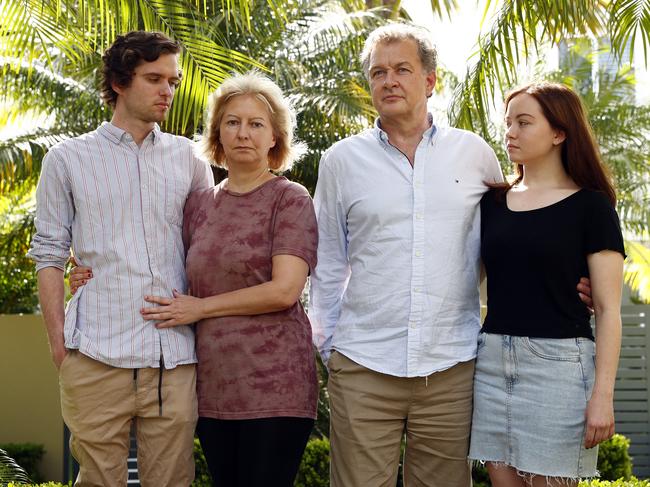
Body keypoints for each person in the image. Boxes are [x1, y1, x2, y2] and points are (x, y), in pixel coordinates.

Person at [309, 24, 593, 487]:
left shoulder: (474, 154)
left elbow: (515, 239)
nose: (389, 81)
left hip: (451, 369)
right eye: (378, 72)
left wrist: (573, 283)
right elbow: (327, 259)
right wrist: (329, 347)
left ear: (430, 80)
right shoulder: (342, 160)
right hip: (363, 364)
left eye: (402, 69)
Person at [28, 31, 214, 486]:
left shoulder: (190, 158)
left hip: (173, 359)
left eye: (173, 80)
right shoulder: (67, 160)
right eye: (154, 79)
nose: (167, 91)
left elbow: (207, 249)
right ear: (118, 82)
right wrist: (60, 348)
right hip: (95, 354)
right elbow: (49, 255)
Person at [136, 72, 318, 487]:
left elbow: (285, 290)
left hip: (276, 388)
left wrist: (200, 308)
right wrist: (85, 265)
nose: (243, 133)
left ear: (275, 138)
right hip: (214, 389)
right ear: (218, 133)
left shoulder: (289, 198)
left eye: (257, 124)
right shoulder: (199, 204)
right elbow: (165, 263)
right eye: (233, 122)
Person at [468, 82, 624, 487]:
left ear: (559, 132)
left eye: (524, 123)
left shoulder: (592, 207)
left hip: (559, 368)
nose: (510, 133)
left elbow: (608, 309)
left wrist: (602, 397)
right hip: (491, 361)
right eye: (508, 124)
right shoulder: (492, 203)